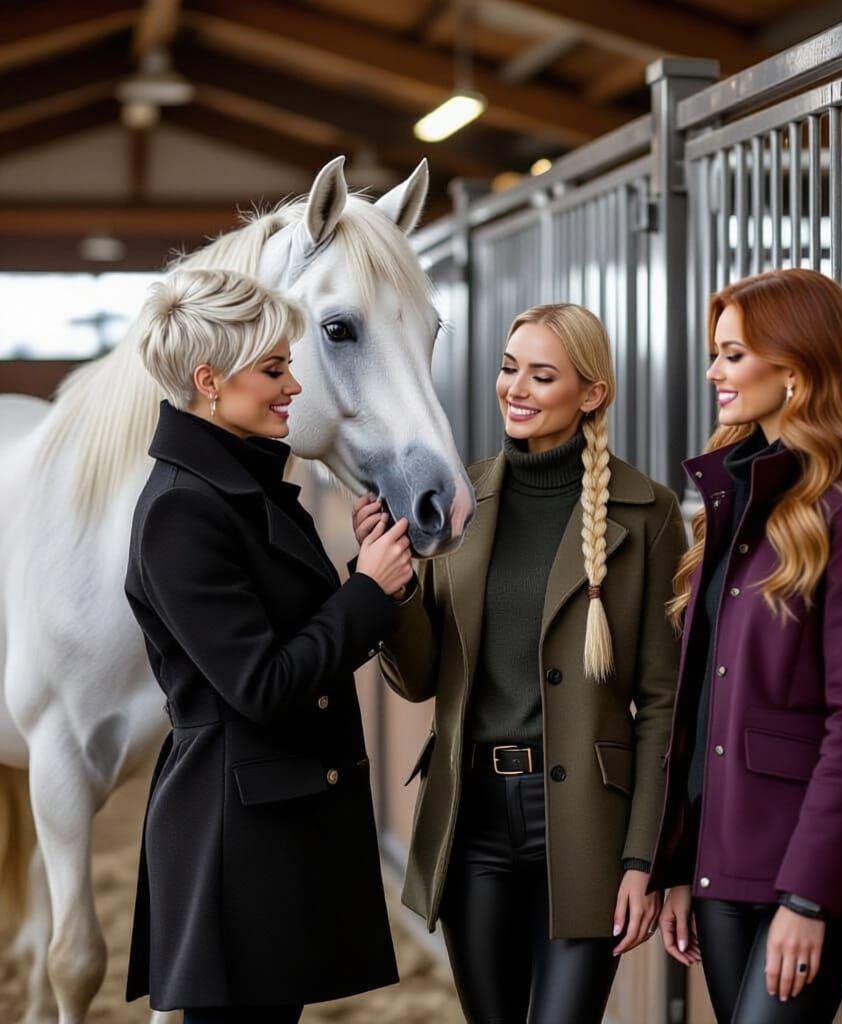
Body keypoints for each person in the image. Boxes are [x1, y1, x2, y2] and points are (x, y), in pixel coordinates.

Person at [365, 302, 684, 1024]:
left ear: (591, 393)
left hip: (584, 824)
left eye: (543, 376)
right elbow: (419, 679)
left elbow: (664, 704)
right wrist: (393, 588)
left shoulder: (648, 512)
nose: (517, 389)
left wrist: (644, 858)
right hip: (471, 816)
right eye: (511, 369)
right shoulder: (458, 497)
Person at [123, 268, 412, 1023]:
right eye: (276, 369)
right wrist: (367, 594)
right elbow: (261, 683)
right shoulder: (183, 511)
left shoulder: (235, 492)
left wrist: (363, 570)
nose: (294, 388)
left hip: (269, 826)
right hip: (234, 839)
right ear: (210, 381)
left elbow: (285, 632)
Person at [649, 268, 842, 1023]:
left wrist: (808, 897)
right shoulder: (734, 497)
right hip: (723, 863)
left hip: (807, 872)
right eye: (718, 353)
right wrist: (679, 865)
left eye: (733, 355)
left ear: (796, 370)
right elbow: (702, 698)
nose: (714, 371)